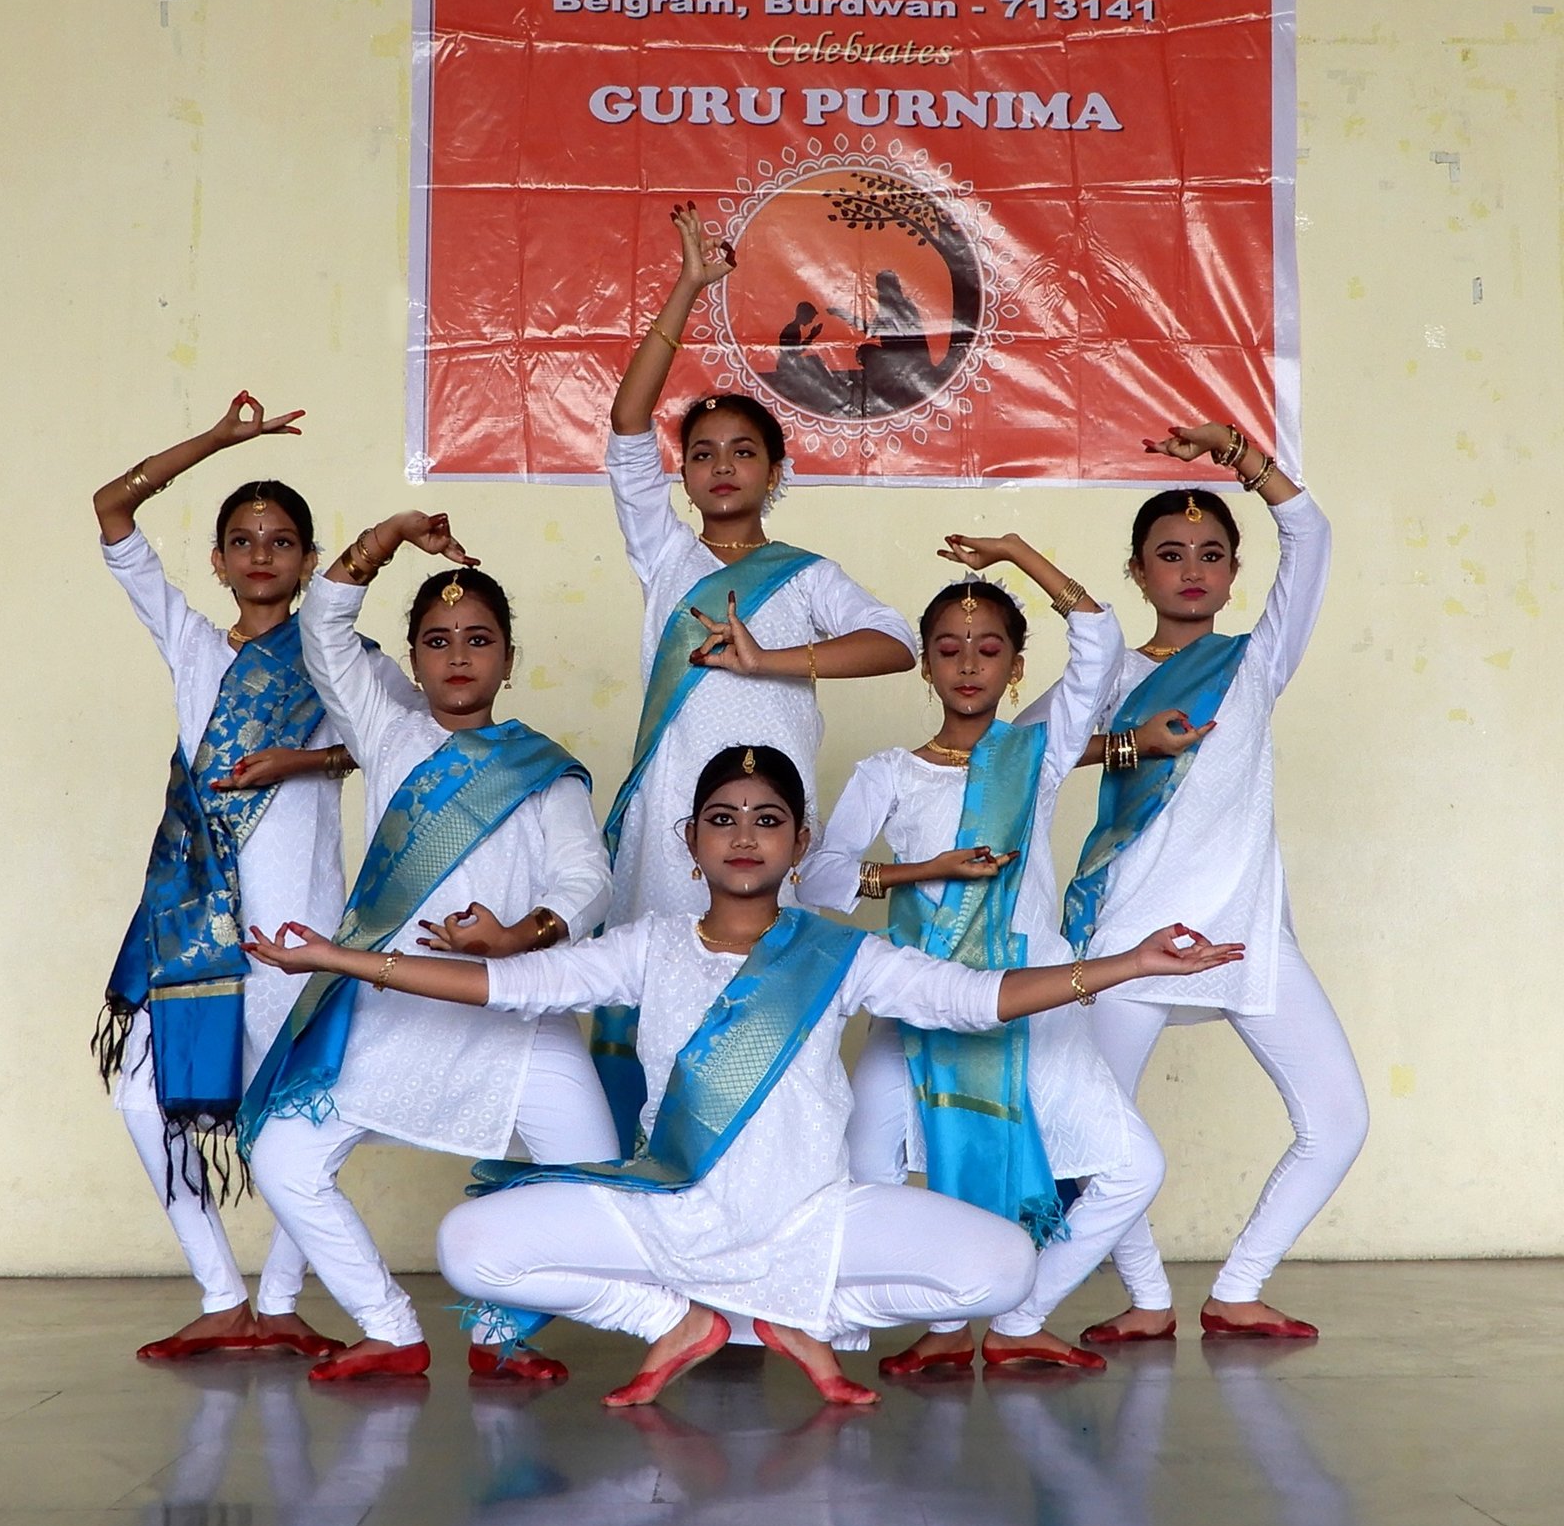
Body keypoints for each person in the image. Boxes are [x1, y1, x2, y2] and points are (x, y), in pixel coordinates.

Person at [244, 744, 1243, 1409]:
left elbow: (976, 998)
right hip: (671, 1215)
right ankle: (681, 1319)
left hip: (810, 1216)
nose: (744, 833)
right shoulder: (646, 947)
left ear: (800, 843)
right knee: (468, 1244)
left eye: (768, 818)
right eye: (721, 817)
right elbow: (503, 983)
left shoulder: (839, 953)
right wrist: (337, 958)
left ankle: (790, 1313)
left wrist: (1130, 963)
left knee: (1004, 1267)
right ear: (691, 843)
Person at [237, 513, 618, 1382]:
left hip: (515, 1021)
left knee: (599, 1192)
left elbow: (587, 879)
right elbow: (323, 623)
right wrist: (396, 534)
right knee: (282, 1156)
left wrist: (518, 936)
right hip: (392, 1016)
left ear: (509, 658)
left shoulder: (542, 769)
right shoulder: (388, 733)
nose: (458, 657)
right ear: (412, 661)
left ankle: (501, 1327)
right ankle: (390, 1326)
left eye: (478, 639)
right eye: (437, 641)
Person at [592, 200, 916, 1147]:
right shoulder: (665, 556)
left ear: (777, 469)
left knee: (767, 1008)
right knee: (665, 1004)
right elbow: (626, 421)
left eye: (744, 452)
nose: (722, 466)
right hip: (674, 822)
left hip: (768, 824)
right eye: (702, 454)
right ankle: (654, 1172)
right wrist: (689, 287)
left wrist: (769, 661)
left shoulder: (806, 577)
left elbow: (895, 642)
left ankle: (767, 1174)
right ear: (683, 475)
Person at [799, 544, 1166, 1373]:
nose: (969, 665)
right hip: (921, 998)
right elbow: (818, 876)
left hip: (1030, 998)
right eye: (949, 649)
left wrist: (1013, 553)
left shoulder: (1034, 755)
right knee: (866, 1168)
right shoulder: (888, 772)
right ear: (925, 667)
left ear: (1016, 666)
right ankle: (940, 1313)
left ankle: (1018, 1316)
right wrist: (924, 870)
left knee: (1133, 1167)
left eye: (990, 648)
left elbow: (1099, 638)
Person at [94, 389, 401, 1361]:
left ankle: (279, 1298)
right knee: (141, 1093)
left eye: (281, 540)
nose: (261, 553)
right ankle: (222, 1293)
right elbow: (112, 508)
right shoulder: (190, 641)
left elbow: (399, 740)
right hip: (190, 915)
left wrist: (302, 761)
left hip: (297, 919)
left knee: (293, 1106)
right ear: (219, 559)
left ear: (309, 561)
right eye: (242, 539)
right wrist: (221, 439)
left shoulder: (338, 655)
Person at [1068, 421, 1368, 1345]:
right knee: (1095, 1134)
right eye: (1169, 554)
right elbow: (1018, 757)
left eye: (1211, 554)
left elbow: (1310, 532)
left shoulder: (1255, 661)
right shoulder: (1110, 670)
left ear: (1236, 572)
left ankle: (1237, 1289)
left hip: (1246, 930)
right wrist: (1130, 743)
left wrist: (1242, 456)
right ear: (1137, 571)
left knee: (1338, 1119)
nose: (1191, 570)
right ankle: (1147, 1296)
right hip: (1129, 936)